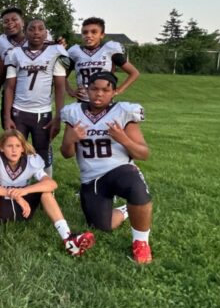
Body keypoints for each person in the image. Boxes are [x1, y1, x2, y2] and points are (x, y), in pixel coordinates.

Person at [59, 71, 153, 264]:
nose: (99, 94)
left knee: (136, 188)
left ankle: (141, 243)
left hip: (120, 170)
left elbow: (143, 154)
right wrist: (70, 140)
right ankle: (126, 210)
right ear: (87, 90)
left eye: (105, 90)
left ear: (114, 92)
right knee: (102, 226)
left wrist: (123, 139)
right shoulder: (74, 112)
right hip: (91, 179)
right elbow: (67, 153)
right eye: (94, 89)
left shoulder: (123, 112)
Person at [0, 130, 95, 258]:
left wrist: (24, 191)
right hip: (1, 207)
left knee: (46, 192)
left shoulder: (32, 160)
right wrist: (17, 196)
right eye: (9, 146)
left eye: (18, 146)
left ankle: (68, 237)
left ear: (23, 148)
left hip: (25, 209)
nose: (14, 150)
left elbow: (51, 184)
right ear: (1, 148)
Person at [2, 19, 66, 176]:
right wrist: (7, 116)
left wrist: (58, 116)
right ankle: (17, 183)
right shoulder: (15, 53)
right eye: (31, 29)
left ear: (46, 32)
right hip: (19, 111)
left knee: (43, 151)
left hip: (42, 112)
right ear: (25, 32)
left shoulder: (55, 52)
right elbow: (9, 87)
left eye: (40, 29)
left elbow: (60, 87)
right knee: (15, 151)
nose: (36, 32)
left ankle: (46, 186)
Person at [66, 17, 140, 101]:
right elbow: (62, 76)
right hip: (83, 101)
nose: (89, 35)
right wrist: (70, 91)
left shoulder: (109, 50)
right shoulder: (75, 52)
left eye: (94, 32)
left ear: (102, 35)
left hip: (105, 102)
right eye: (85, 32)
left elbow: (134, 73)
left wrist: (118, 91)